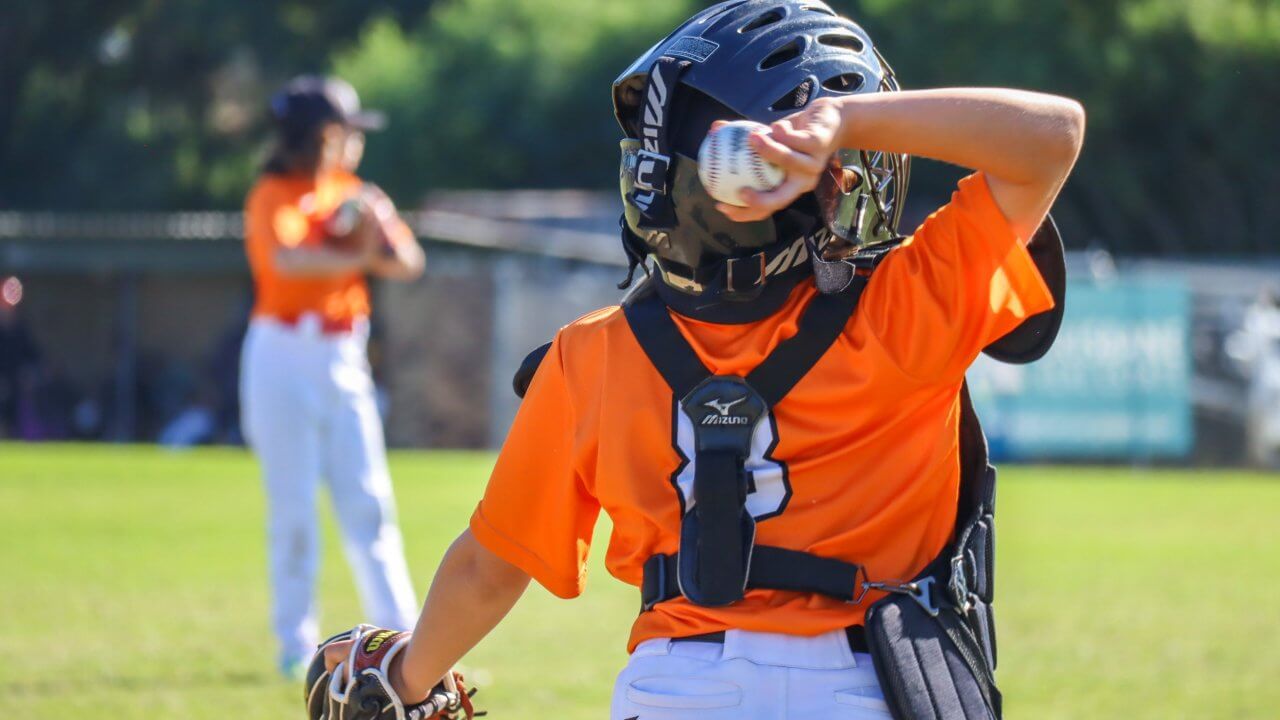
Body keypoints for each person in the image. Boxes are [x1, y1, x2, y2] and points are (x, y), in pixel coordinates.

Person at [314, 2, 1083, 718]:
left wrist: (403, 678)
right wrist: (840, 117)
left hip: (675, 688)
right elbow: (1054, 136)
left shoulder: (593, 357)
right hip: (865, 686)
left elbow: (490, 568)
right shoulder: (907, 310)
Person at [242, 75, 425, 680]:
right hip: (283, 353)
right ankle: (295, 644)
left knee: (369, 502)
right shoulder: (276, 194)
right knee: (293, 508)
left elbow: (407, 261)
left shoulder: (355, 193)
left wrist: (374, 235)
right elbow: (288, 262)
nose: (355, 143)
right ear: (324, 135)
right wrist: (362, 255)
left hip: (343, 355)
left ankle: (407, 641)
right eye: (348, 132)